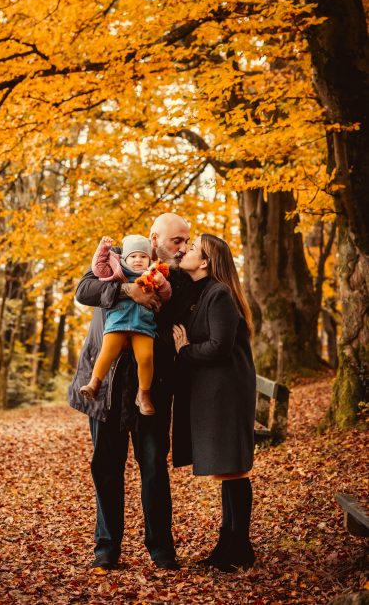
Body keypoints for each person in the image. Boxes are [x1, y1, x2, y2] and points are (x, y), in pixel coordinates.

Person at [68, 213, 193, 571]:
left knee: (153, 466)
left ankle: (161, 548)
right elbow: (84, 291)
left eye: (187, 241)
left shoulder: (177, 278)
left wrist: (157, 293)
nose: (183, 248)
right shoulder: (116, 261)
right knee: (106, 467)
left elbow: (179, 314)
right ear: (154, 238)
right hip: (106, 388)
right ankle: (106, 548)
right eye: (177, 241)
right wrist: (127, 289)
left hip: (151, 390)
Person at [172, 233, 256, 572]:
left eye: (192, 249)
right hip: (215, 392)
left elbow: (220, 346)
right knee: (228, 470)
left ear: (206, 262)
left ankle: (241, 545)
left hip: (227, 393)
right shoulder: (204, 292)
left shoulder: (219, 293)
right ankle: (228, 542)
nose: (185, 250)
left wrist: (185, 350)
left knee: (234, 470)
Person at [79, 234, 171, 416]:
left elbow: (167, 295)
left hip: (143, 326)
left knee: (145, 357)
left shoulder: (153, 275)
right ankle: (94, 383)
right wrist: (103, 249)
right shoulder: (116, 272)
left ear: (149, 259)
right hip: (117, 324)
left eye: (143, 257)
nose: (138, 260)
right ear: (125, 258)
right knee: (107, 352)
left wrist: (162, 283)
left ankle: (143, 395)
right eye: (133, 256)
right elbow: (97, 269)